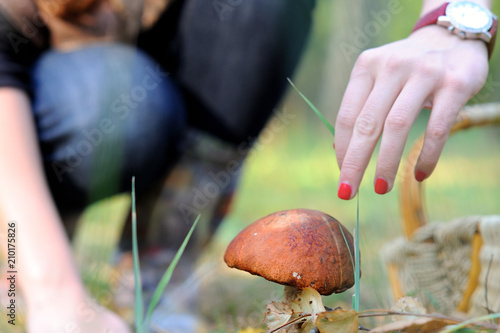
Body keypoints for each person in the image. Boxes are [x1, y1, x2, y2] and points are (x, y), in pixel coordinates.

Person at [0, 0, 494, 332]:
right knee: (114, 104)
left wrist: (454, 21)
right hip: (38, 87)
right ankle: (21, 253)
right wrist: (53, 290)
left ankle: (155, 273)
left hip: (177, 77)